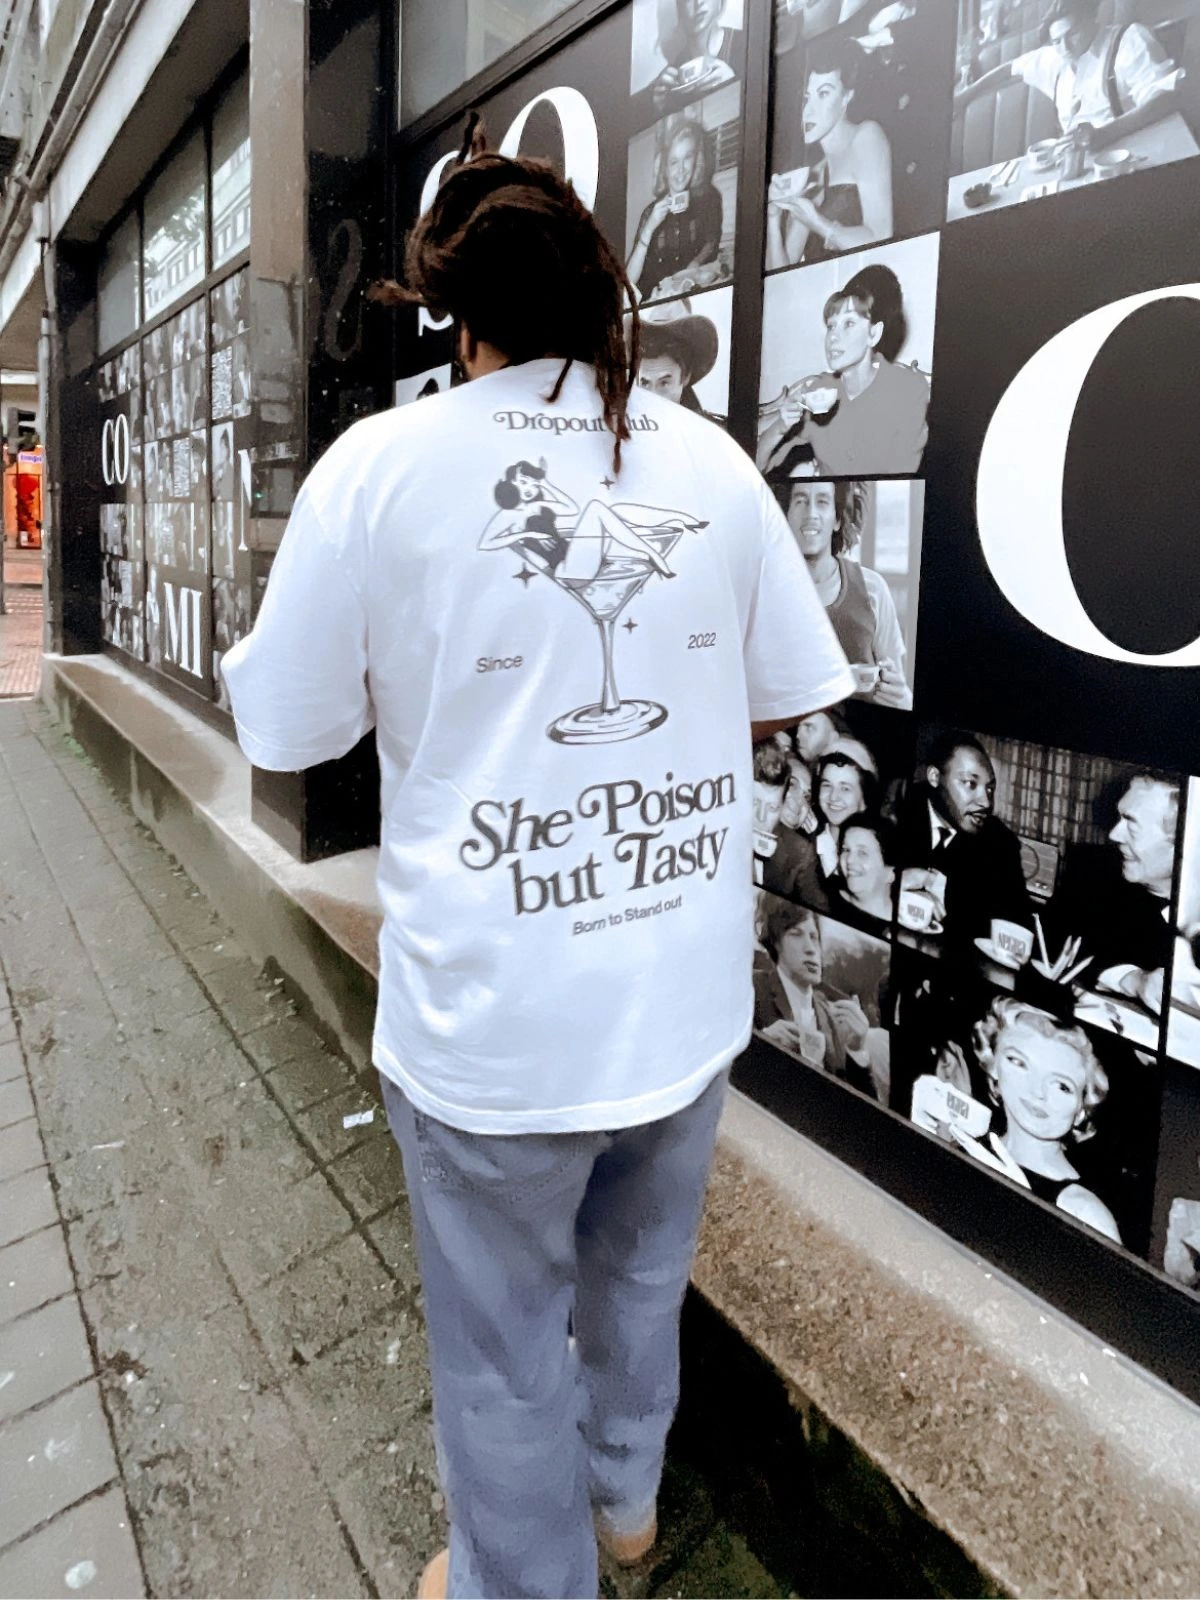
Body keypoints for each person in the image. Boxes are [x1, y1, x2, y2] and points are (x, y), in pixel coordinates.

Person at [221, 118, 854, 1600]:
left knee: (502, 1335)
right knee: (641, 1278)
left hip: (495, 1024)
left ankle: (527, 1582)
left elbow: (293, 730)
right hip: (681, 995)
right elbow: (775, 692)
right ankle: (626, 1511)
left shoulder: (380, 467)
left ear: (456, 313)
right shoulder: (709, 460)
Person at [955, 997, 1121, 1243]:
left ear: (1082, 1111)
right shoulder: (964, 1148)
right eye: (1019, 1062)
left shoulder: (1084, 1213)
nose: (1037, 1091)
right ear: (993, 1065)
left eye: (1062, 1086)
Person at [757, 262, 929, 477]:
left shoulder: (909, 389)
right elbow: (758, 467)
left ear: (873, 334)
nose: (833, 337)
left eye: (848, 324)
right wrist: (780, 426)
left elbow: (902, 479)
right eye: (831, 326)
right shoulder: (818, 391)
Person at [954, 0, 1182, 152]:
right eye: (1056, 41)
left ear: (1092, 20)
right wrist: (964, 97)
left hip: (1134, 151)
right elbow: (1009, 69)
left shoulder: (1129, 40)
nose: (1065, 47)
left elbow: (1165, 98)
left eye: (1073, 34)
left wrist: (1105, 134)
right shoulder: (1054, 57)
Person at [1045, 773, 1179, 1014]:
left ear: (1183, 841)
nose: (1114, 835)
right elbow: (1050, 943)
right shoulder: (1093, 872)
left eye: (1132, 822)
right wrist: (1134, 980)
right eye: (1120, 817)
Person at [779, 479, 911, 706]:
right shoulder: (768, 592)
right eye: (800, 501)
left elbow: (900, 691)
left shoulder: (873, 587)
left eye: (822, 502)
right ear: (786, 517)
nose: (810, 513)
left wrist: (901, 696)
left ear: (837, 520)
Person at [766, 37, 893, 267]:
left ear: (847, 96)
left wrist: (816, 222)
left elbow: (882, 237)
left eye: (823, 93)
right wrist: (773, 216)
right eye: (806, 98)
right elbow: (781, 269)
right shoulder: (815, 173)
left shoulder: (866, 137)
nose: (808, 110)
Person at [897, 732, 1031, 946]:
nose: (986, 801)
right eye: (970, 783)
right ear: (934, 777)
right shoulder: (897, 811)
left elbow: (1017, 926)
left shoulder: (1001, 845)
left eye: (990, 788)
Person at [754, 900, 886, 1099]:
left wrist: (857, 1049)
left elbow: (860, 1115)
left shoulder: (831, 1016)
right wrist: (762, 1042)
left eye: (814, 937)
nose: (810, 949)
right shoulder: (752, 986)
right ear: (776, 942)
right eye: (796, 934)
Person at [628, 120, 724, 302]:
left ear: (697, 160)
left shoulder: (710, 199)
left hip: (692, 295)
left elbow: (711, 243)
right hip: (655, 304)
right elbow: (628, 283)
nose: (681, 170)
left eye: (687, 158)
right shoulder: (650, 213)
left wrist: (691, 270)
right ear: (665, 167)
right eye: (673, 162)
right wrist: (649, 228)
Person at [635, 299, 722, 418]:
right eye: (645, 383)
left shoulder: (709, 433)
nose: (652, 397)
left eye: (664, 383)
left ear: (686, 377)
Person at [652, 0, 740, 107]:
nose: (698, 3)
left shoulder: (746, 43)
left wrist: (735, 85)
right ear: (679, 9)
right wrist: (658, 107)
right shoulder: (671, 79)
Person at [812, 748, 877, 882]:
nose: (833, 797)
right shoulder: (806, 847)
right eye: (827, 785)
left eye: (845, 788)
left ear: (864, 799)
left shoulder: (878, 857)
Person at [834, 811, 897, 927]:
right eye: (846, 850)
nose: (849, 860)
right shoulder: (825, 897)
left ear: (891, 873)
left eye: (862, 853)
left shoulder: (906, 928)